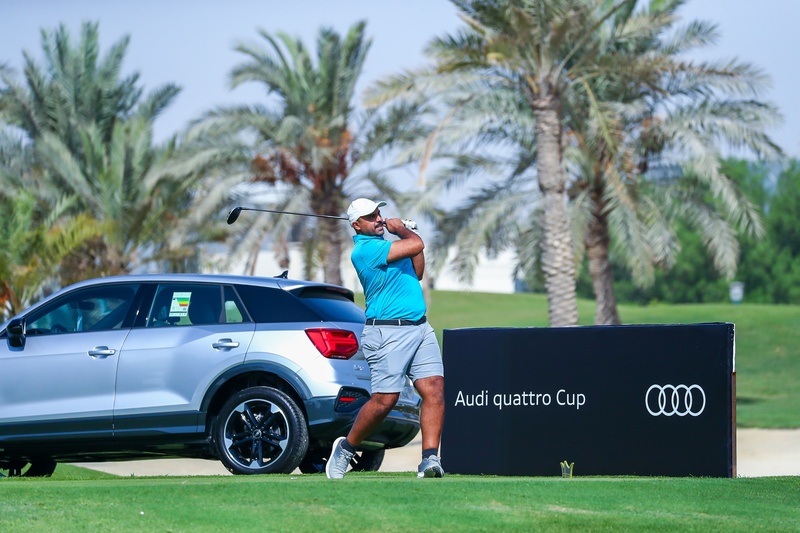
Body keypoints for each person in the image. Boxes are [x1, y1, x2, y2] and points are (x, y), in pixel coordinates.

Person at [326, 198, 445, 479]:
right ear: (357, 225)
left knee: (434, 389)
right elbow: (416, 244)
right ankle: (346, 447)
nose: (379, 219)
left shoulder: (390, 247)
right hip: (387, 333)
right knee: (385, 400)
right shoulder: (365, 251)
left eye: (379, 213)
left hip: (419, 327)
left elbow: (417, 271)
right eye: (371, 217)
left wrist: (406, 235)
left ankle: (430, 460)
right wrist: (403, 230)